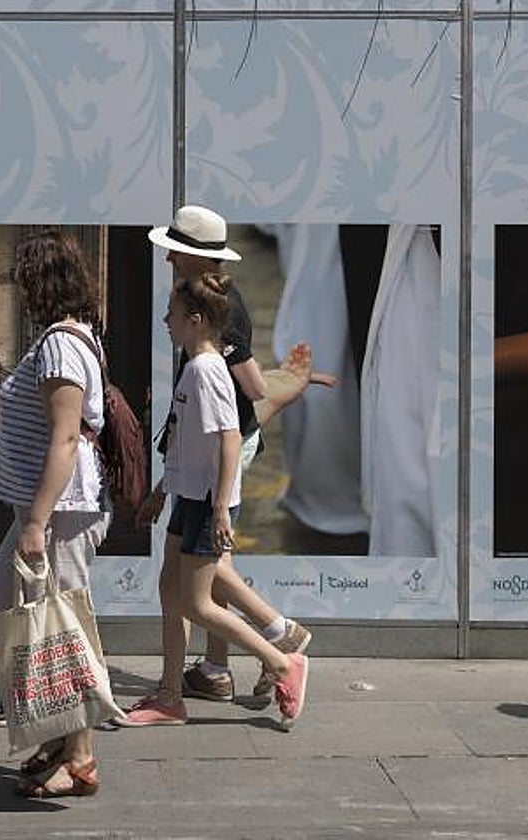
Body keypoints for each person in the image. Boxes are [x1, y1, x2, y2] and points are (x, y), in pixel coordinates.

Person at [133, 207, 316, 714]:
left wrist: (283, 383)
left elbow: (247, 400)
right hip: (196, 465)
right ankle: (209, 673)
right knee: (197, 578)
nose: (168, 255)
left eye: (175, 248)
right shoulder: (200, 311)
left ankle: (279, 643)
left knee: (201, 581)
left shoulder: (215, 322)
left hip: (211, 467)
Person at [0, 229, 110, 798]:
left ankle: (79, 755)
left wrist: (36, 522)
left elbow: (64, 439)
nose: (18, 289)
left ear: (39, 283)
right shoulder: (74, 337)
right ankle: (61, 739)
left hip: (57, 513)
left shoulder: (59, 345)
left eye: (23, 279)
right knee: (1, 611)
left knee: (62, 629)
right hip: (47, 510)